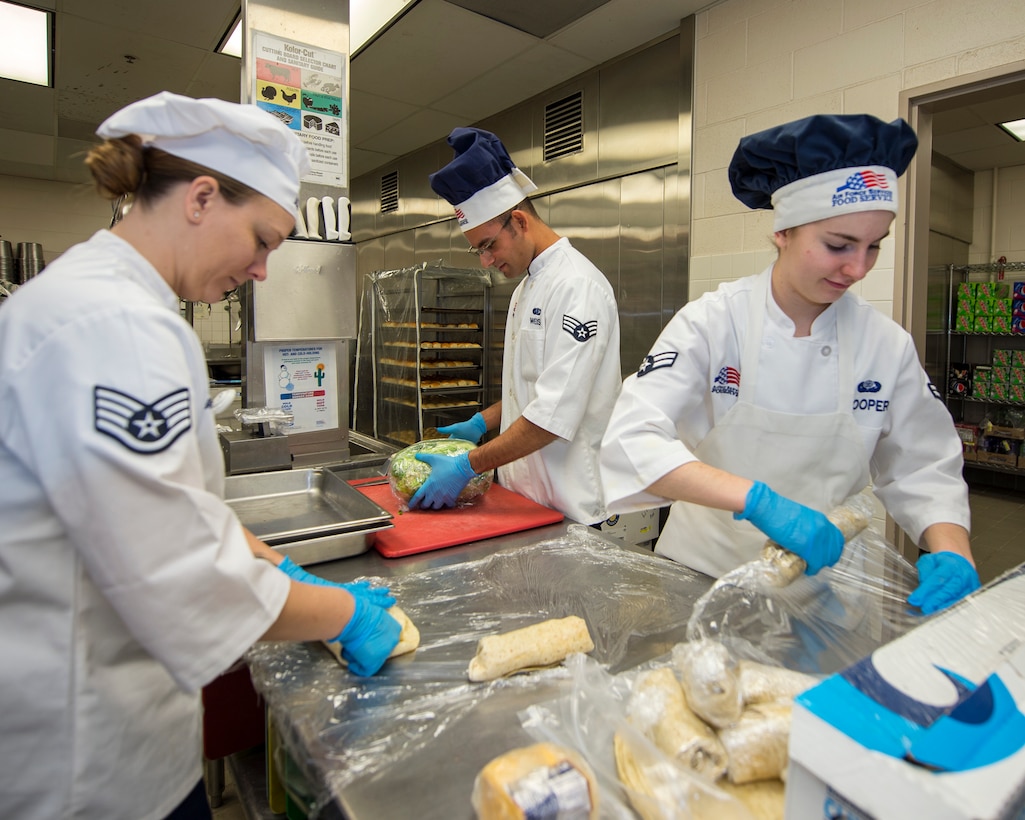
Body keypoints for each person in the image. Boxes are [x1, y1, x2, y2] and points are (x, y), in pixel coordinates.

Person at [0, 92, 400, 820]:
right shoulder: (115, 327)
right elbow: (179, 573)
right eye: (263, 240)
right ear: (202, 198)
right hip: (84, 765)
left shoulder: (101, 303)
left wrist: (279, 568)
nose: (262, 271)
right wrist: (338, 612)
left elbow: (178, 512)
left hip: (106, 732)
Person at [600, 113, 980, 614]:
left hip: (828, 589)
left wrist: (952, 548)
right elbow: (632, 439)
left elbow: (924, 464)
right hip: (703, 575)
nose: (858, 268)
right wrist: (759, 502)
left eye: (873, 248)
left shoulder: (885, 345)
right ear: (782, 232)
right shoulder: (714, 323)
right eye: (838, 245)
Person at [410, 127, 622, 525]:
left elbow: (552, 416)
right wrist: (483, 421)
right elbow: (535, 390)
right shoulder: (527, 286)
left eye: (488, 245)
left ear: (520, 221)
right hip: (522, 499)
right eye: (478, 250)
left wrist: (467, 466)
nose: (485, 262)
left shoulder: (576, 286)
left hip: (568, 508)